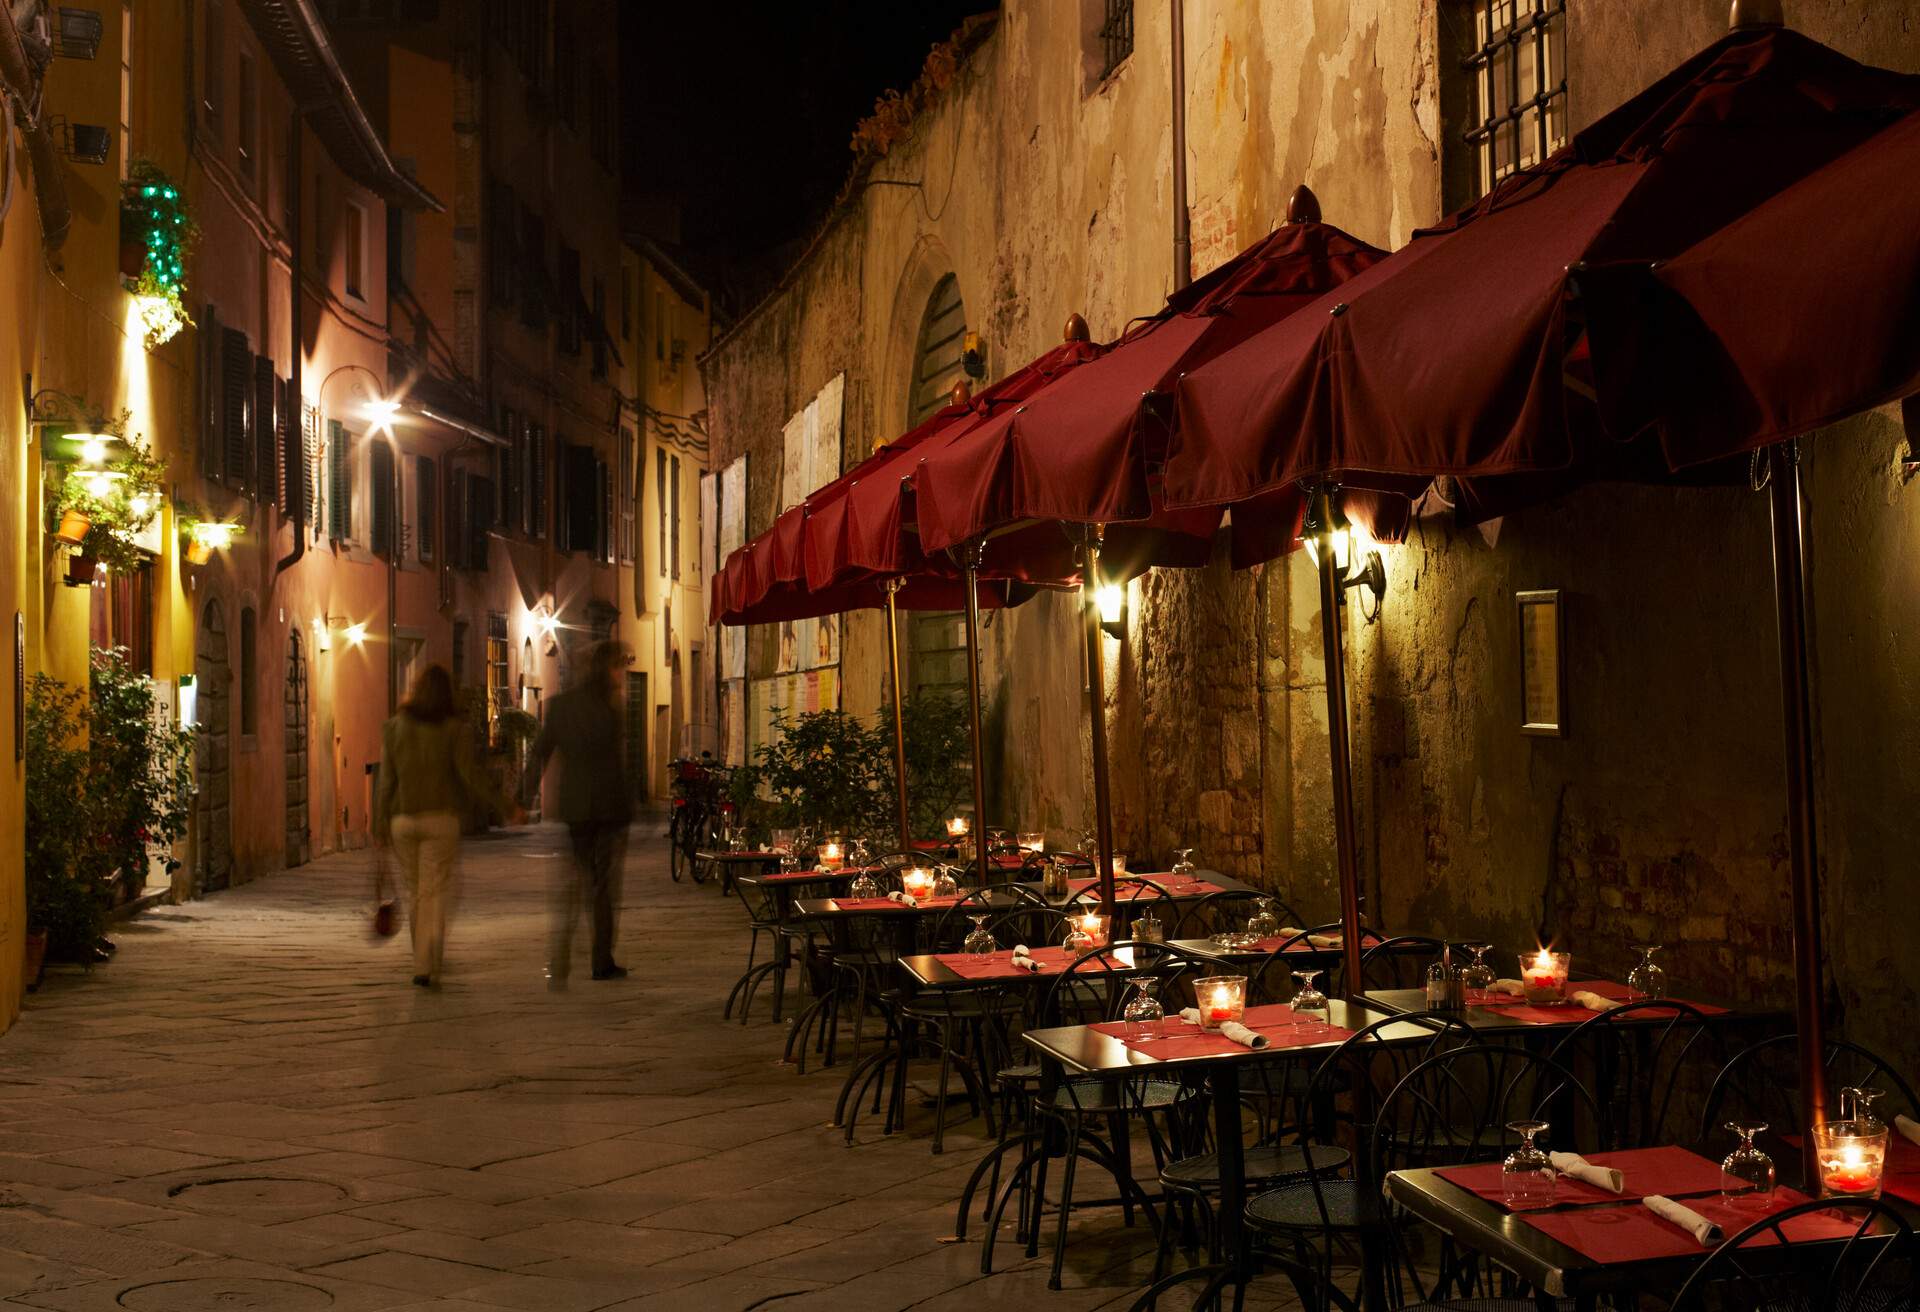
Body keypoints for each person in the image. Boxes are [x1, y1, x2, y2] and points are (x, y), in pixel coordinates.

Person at [373, 664, 517, 988]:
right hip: (441, 819)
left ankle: (422, 961)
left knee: (416, 892)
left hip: (403, 820)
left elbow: (386, 782)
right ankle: (429, 957)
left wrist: (380, 826)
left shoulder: (394, 727)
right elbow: (470, 776)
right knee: (433, 889)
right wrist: (505, 805)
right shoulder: (454, 729)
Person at [520, 640, 633, 984]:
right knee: (602, 888)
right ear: (608, 668)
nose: (622, 673)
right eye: (620, 666)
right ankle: (601, 961)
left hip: (576, 807)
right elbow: (617, 764)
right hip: (608, 808)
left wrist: (521, 798)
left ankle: (561, 953)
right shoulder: (611, 708)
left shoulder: (561, 706)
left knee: (575, 879)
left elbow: (540, 752)